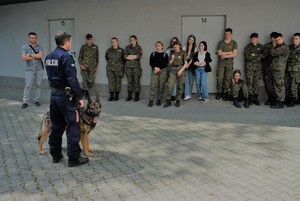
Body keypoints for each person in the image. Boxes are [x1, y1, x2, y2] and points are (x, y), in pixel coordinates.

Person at [45, 31, 89, 167]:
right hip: (66, 97)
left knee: (57, 126)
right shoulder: (66, 57)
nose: (70, 43)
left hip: (54, 96)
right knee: (73, 127)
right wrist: (80, 97)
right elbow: (72, 80)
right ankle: (74, 158)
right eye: (70, 41)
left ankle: (55, 155)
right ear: (66, 42)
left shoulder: (48, 57)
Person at [21, 32, 44, 109]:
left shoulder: (39, 46)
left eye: (35, 38)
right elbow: (23, 58)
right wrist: (35, 56)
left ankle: (36, 100)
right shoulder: (25, 47)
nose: (33, 39)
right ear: (29, 38)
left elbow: (40, 55)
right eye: (32, 38)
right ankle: (25, 102)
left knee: (38, 85)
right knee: (28, 86)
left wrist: (30, 55)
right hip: (29, 69)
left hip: (39, 69)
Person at [216, 28, 238, 101]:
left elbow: (234, 54)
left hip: (229, 62)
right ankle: (219, 92)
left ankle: (225, 93)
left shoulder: (234, 43)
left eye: (228, 34)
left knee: (227, 78)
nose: (227, 36)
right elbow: (219, 53)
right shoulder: (221, 43)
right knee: (219, 77)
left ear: (231, 34)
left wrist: (225, 55)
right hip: (221, 63)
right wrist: (229, 52)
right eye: (225, 34)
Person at [163, 41, 188, 108]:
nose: (176, 48)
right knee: (170, 85)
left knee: (180, 85)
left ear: (179, 46)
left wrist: (181, 71)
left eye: (177, 46)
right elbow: (170, 63)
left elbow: (186, 64)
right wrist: (172, 58)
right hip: (173, 69)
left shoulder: (183, 53)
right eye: (174, 47)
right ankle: (168, 100)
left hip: (181, 69)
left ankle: (178, 100)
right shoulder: (172, 52)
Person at [269, 33, 289, 109]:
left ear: (282, 39)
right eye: (276, 40)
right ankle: (277, 100)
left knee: (279, 85)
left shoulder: (283, 47)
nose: (277, 41)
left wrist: (273, 44)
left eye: (279, 39)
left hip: (279, 69)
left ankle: (280, 102)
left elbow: (272, 53)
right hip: (275, 69)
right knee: (276, 85)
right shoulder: (278, 47)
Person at [244, 33, 264, 106]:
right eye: (252, 38)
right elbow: (247, 57)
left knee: (256, 83)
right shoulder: (247, 47)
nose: (253, 40)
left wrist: (254, 55)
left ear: (257, 38)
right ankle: (249, 98)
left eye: (254, 38)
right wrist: (257, 57)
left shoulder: (261, 46)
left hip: (258, 68)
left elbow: (263, 55)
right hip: (249, 68)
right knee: (249, 83)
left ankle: (255, 98)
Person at [78, 34, 99, 99]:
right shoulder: (83, 47)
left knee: (91, 81)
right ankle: (86, 94)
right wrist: (81, 65)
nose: (90, 41)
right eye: (89, 40)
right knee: (84, 80)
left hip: (92, 67)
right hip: (84, 66)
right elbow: (80, 57)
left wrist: (95, 66)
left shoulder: (95, 47)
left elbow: (97, 57)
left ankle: (83, 90)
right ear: (86, 40)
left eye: (91, 39)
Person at [148, 41, 169, 107]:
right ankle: (151, 100)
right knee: (153, 85)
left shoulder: (165, 54)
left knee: (161, 86)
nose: (158, 47)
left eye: (159, 45)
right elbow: (151, 62)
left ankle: (159, 99)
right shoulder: (153, 54)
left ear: (162, 46)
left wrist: (159, 69)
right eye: (157, 45)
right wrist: (155, 68)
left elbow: (165, 63)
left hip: (162, 71)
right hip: (154, 71)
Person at [124, 35, 143, 101]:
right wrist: (133, 56)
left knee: (136, 82)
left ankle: (136, 96)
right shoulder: (127, 47)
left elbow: (138, 56)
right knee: (129, 82)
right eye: (131, 40)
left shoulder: (139, 48)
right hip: (128, 67)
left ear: (136, 40)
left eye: (133, 40)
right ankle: (129, 96)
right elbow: (125, 56)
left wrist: (129, 56)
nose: (132, 41)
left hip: (136, 67)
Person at [105, 37, 124, 101]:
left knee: (118, 82)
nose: (113, 43)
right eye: (112, 42)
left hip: (118, 69)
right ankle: (111, 96)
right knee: (111, 82)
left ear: (117, 42)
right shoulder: (109, 50)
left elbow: (124, 60)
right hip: (110, 69)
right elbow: (107, 58)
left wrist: (119, 66)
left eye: (115, 41)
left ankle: (116, 96)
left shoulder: (121, 50)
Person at [285, 33, 300, 107]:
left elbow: (298, 58)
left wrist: (291, 56)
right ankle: (288, 98)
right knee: (287, 84)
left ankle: (294, 99)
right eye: (293, 38)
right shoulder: (289, 47)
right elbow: (285, 56)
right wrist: (293, 56)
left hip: (296, 70)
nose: (294, 40)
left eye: (296, 39)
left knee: (294, 85)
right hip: (288, 68)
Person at [262, 32, 277, 105]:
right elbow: (264, 56)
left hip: (276, 69)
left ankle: (275, 99)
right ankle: (270, 98)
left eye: (274, 37)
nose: (273, 39)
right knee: (268, 84)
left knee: (276, 83)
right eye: (272, 37)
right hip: (267, 67)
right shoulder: (267, 46)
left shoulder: (280, 46)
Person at [183, 34, 197, 101]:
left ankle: (189, 94)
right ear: (188, 40)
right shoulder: (184, 47)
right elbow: (184, 56)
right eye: (190, 39)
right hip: (185, 63)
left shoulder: (195, 48)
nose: (191, 41)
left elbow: (193, 57)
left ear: (194, 41)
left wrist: (189, 64)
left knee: (191, 80)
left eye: (192, 40)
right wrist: (186, 63)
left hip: (192, 64)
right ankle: (186, 94)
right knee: (186, 79)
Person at [166, 36, 179, 101]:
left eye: (175, 41)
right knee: (170, 82)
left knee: (175, 82)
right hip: (169, 67)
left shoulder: (178, 49)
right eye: (172, 41)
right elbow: (166, 59)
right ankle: (170, 94)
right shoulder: (168, 50)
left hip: (176, 68)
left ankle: (174, 95)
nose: (173, 42)